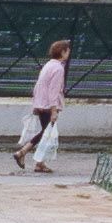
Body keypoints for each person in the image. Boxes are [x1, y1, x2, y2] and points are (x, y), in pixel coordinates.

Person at [16, 39, 72, 172]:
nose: (68, 53)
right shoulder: (58, 69)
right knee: (46, 133)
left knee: (46, 133)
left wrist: (36, 103)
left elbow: (39, 85)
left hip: (41, 104)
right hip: (48, 106)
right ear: (62, 52)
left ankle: (39, 162)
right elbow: (53, 91)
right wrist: (54, 110)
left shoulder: (48, 65)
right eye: (67, 51)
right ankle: (23, 153)